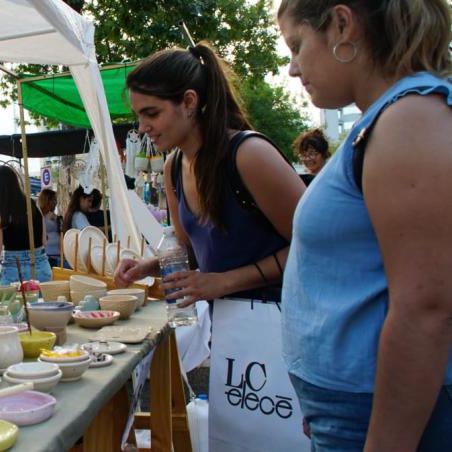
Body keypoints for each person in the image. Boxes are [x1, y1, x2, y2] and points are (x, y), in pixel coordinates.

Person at [277, 1, 452, 450]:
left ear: (341, 25)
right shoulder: (387, 120)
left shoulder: (410, 119)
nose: (294, 69)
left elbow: (427, 309)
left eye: (297, 46)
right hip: (350, 407)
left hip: (373, 410)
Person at [114, 42, 305, 305]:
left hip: (278, 325)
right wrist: (147, 267)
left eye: (152, 114)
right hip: (226, 332)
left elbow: (314, 245)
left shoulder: (249, 154)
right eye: (138, 116)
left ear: (189, 102)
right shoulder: (173, 168)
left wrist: (224, 281)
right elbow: (191, 253)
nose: (143, 127)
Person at [0, 165, 51, 285]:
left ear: (1, 187)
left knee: (12, 304)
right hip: (42, 267)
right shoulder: (33, 205)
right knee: (43, 304)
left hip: (14, 270)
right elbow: (44, 241)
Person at [37, 188, 61, 267]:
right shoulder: (38, 215)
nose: (56, 202)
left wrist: (58, 220)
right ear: (46, 200)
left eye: (55, 200)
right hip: (46, 255)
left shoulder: (55, 216)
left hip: (57, 254)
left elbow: (61, 231)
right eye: (53, 200)